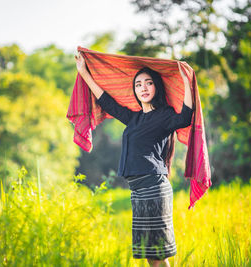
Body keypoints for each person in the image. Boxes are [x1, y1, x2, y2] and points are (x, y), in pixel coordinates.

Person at [75, 52, 194, 267]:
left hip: (154, 188)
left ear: (156, 87)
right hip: (139, 191)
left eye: (149, 83)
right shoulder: (134, 118)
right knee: (151, 255)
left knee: (158, 254)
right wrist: (83, 72)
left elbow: (185, 117)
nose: (144, 88)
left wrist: (186, 81)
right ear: (135, 91)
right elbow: (107, 102)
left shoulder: (164, 115)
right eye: (139, 85)